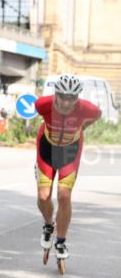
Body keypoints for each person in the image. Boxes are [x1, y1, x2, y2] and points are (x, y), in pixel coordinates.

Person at [34, 75, 101, 262]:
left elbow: (98, 115)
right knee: (43, 196)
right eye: (62, 96)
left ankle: (61, 241)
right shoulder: (42, 105)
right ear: (56, 94)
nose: (66, 102)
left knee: (64, 195)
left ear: (77, 98)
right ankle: (48, 225)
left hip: (70, 150)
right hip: (47, 147)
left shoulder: (88, 109)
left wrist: (82, 127)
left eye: (71, 98)